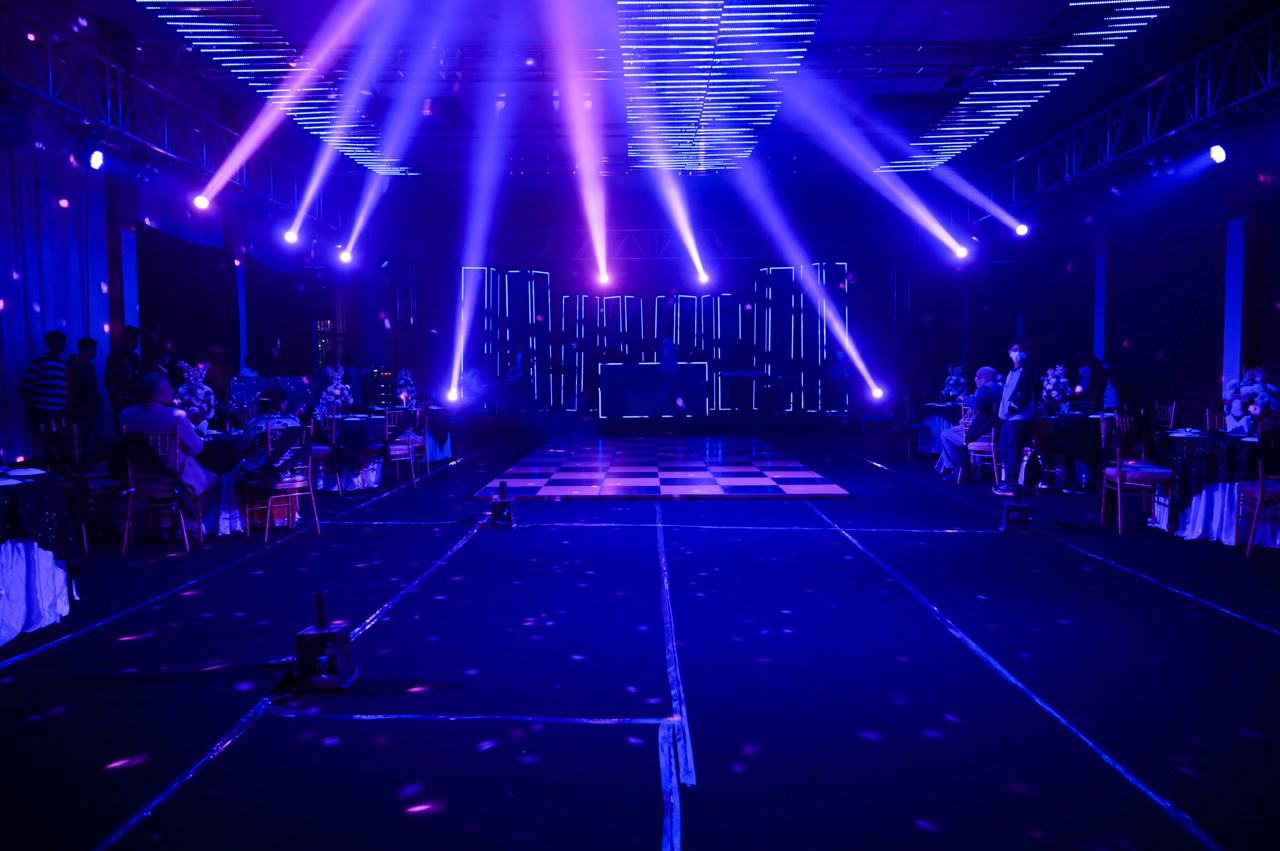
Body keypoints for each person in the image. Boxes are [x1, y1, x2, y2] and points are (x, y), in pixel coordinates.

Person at [119, 374, 217, 496]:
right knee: (217, 479)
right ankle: (194, 507)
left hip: (138, 477)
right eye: (168, 388)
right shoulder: (176, 415)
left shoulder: (125, 414)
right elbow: (196, 449)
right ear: (157, 395)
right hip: (175, 477)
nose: (172, 390)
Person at [936, 366, 1002, 477]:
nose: (976, 379)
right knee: (953, 429)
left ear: (987, 378)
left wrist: (964, 398)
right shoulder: (999, 388)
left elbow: (976, 405)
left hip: (982, 436)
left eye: (979, 377)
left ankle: (956, 469)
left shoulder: (986, 389)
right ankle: (962, 468)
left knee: (945, 434)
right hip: (994, 433)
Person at [994, 339, 1038, 496]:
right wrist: (1003, 412)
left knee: (1012, 449)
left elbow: (1023, 394)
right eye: (1014, 349)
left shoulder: (1028, 370)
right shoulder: (1011, 372)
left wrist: (1011, 409)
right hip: (1008, 417)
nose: (1017, 353)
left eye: (1020, 350)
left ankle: (1012, 486)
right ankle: (1009, 483)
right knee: (1003, 447)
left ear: (1026, 353)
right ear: (1009, 352)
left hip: (1020, 416)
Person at [21, 330, 70, 425]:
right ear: (49, 343)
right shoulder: (40, 361)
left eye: (62, 343)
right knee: (44, 432)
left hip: (60, 408)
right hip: (42, 408)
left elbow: (64, 385)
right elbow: (27, 385)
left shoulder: (63, 364)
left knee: (57, 433)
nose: (59, 345)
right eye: (56, 342)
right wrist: (30, 406)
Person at [67, 337, 102, 460]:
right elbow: (69, 386)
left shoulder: (88, 366)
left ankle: (83, 461)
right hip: (79, 407)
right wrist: (78, 402)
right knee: (79, 436)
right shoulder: (74, 365)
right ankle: (77, 462)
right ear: (87, 349)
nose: (96, 352)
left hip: (89, 406)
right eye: (94, 349)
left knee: (85, 436)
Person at [105, 326, 142, 419]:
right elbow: (109, 380)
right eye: (136, 338)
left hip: (134, 398)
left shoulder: (134, 357)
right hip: (122, 400)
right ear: (130, 339)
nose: (138, 341)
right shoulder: (116, 356)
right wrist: (117, 397)